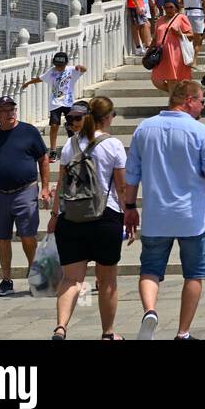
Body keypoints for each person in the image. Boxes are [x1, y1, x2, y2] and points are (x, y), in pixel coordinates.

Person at [124, 81, 205, 340]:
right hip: (191, 216)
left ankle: (150, 311)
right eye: (201, 101)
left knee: (150, 270)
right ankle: (183, 332)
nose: (203, 106)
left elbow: (131, 174)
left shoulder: (144, 129)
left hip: (156, 215)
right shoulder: (199, 131)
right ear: (189, 100)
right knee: (194, 274)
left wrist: (130, 206)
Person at [48, 97, 128, 340]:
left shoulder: (70, 145)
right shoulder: (113, 145)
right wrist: (129, 216)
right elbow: (121, 188)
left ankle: (61, 327)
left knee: (71, 279)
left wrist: (54, 215)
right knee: (107, 280)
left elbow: (61, 184)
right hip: (105, 217)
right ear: (107, 117)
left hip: (71, 217)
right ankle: (108, 333)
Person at [0, 95, 50, 297]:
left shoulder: (29, 131)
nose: (10, 113)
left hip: (26, 190)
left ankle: (36, 276)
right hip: (0, 193)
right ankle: (6, 280)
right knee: (2, 238)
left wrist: (45, 187)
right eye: (5, 110)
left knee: (28, 235)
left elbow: (43, 159)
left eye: (12, 108)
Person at [21, 50, 87, 162]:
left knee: (72, 125)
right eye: (57, 66)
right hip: (55, 104)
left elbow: (84, 70)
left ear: (66, 64)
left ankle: (75, 148)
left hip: (68, 103)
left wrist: (80, 66)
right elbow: (40, 79)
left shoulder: (71, 70)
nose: (59, 68)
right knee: (54, 125)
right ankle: (53, 150)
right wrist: (28, 83)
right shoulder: (51, 72)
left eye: (61, 66)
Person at [150, 1, 193, 94]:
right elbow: (155, 37)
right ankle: (178, 95)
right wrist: (148, 51)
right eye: (166, 8)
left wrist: (180, 34)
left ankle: (174, 102)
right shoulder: (160, 19)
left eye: (171, 7)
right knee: (156, 80)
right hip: (161, 54)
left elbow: (191, 35)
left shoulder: (181, 18)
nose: (168, 10)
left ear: (176, 8)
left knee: (172, 80)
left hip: (175, 53)